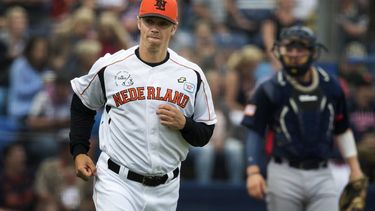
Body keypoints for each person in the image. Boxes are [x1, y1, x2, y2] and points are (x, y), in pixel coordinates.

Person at [69, 0, 217, 210]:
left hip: (166, 187)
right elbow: (82, 102)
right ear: (139, 22)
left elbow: (206, 131)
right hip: (117, 182)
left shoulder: (191, 74)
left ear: (174, 27)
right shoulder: (111, 66)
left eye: (162, 23)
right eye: (149, 21)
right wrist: (80, 150)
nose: (154, 28)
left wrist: (185, 124)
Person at [241, 26, 365, 211]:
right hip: (284, 172)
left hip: (322, 171)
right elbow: (254, 130)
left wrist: (355, 169)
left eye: (300, 49)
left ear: (313, 51)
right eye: (289, 48)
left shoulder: (331, 85)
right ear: (279, 50)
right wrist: (253, 171)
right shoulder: (269, 88)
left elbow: (342, 128)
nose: (294, 54)